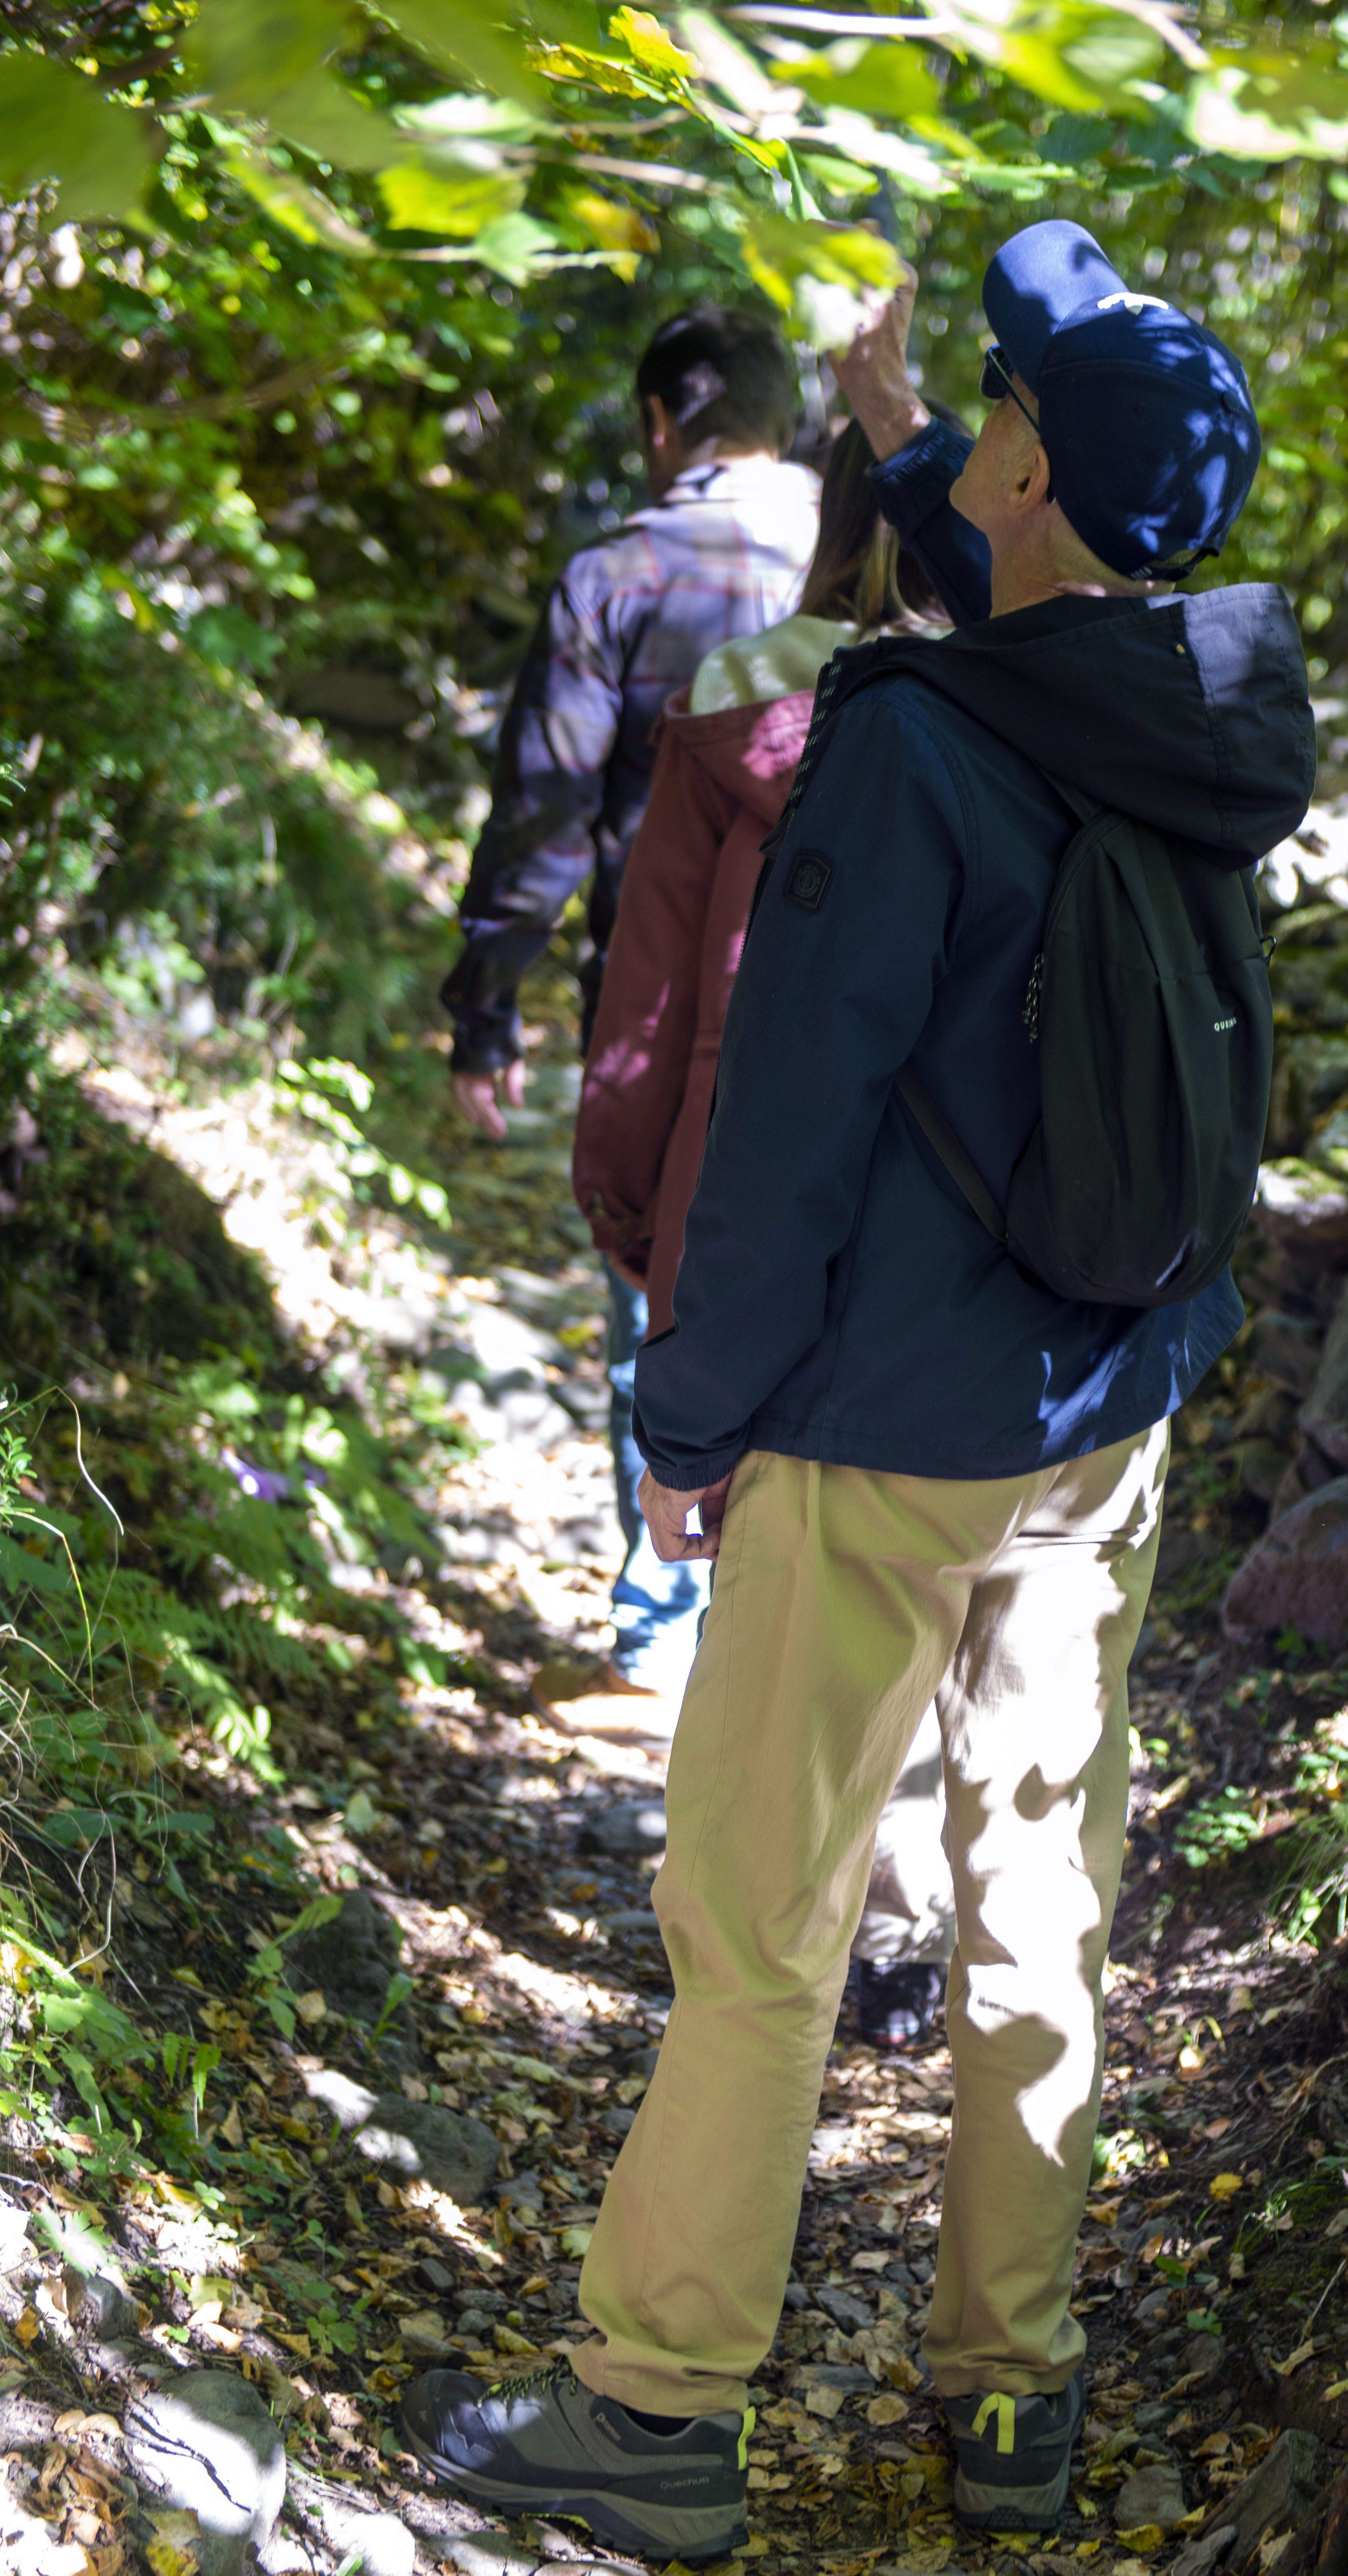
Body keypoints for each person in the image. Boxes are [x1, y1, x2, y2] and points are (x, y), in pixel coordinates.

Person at [401, 220, 1316, 2563]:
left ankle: (659, 2401)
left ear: (1027, 468)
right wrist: (907, 412)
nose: (978, 437)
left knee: (764, 1916)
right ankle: (1013, 2396)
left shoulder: (913, 748)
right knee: (1041, 1911)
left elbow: (795, 1124)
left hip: (881, 1427)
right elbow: (1020, 576)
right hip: (1108, 1416)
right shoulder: (1199, 702)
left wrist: (686, 1422)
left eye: (1002, 418)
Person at [571, 416, 960, 2037]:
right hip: (950, 1244)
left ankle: (754, 1956)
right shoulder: (1013, 716)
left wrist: (629, 1208)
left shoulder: (742, 705)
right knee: (923, 1594)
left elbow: (647, 1001)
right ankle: (902, 1923)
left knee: (760, 1579)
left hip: (742, 1211)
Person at [439, 308, 821, 1710]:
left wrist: (488, 1008)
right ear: (791, 424)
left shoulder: (619, 574)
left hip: (654, 1015)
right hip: (862, 1017)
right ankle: (779, 1628)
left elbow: (545, 810)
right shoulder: (888, 565)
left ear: (662, 425)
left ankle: (666, 1615)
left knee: (656, 1296)